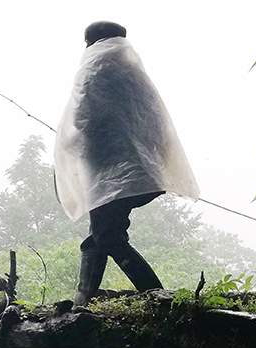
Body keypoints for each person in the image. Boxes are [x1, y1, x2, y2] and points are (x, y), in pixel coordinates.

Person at [54, 21, 199, 305]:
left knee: (108, 236)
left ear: (90, 43)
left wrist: (68, 146)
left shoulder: (93, 72)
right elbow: (155, 123)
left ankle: (157, 295)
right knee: (99, 236)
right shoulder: (135, 74)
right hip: (140, 174)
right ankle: (80, 303)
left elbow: (81, 122)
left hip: (107, 178)